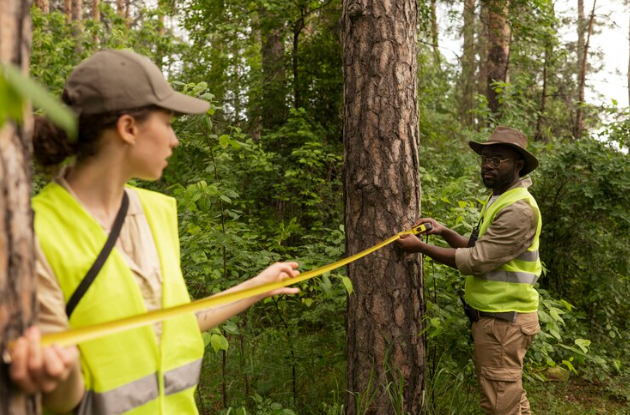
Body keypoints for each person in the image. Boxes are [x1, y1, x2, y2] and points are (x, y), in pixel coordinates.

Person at [7, 49, 300, 415]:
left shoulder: (156, 211)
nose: (174, 139)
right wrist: (55, 372)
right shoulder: (32, 233)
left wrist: (257, 285)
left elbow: (171, 325)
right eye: (169, 123)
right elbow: (59, 396)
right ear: (129, 128)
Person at [397, 126, 542, 415]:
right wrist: (443, 231)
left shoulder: (518, 209)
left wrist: (420, 248)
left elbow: (476, 260)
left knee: (501, 406)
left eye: (497, 159)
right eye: (485, 159)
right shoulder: (499, 198)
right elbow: (479, 248)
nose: (488, 165)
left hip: (504, 323)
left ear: (518, 164)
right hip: (497, 321)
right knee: (510, 398)